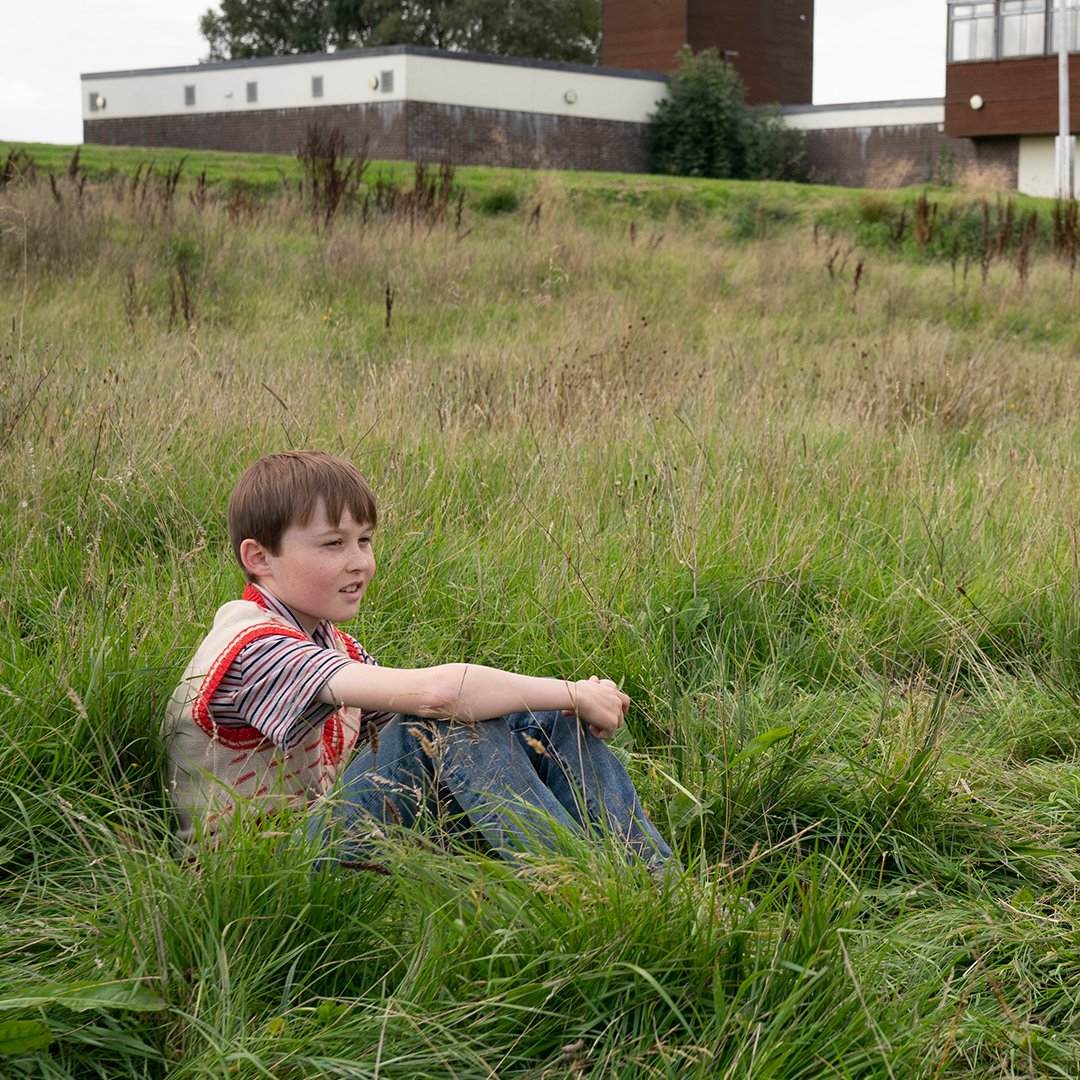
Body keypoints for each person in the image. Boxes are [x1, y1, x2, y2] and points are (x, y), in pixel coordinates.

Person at [162, 450, 672, 872]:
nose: (359, 561)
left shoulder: (331, 644)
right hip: (257, 879)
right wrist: (576, 692)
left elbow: (409, 737)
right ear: (259, 558)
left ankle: (656, 884)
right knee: (445, 722)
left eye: (364, 540)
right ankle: (577, 890)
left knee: (537, 719)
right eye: (333, 544)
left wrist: (558, 706)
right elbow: (436, 699)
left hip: (317, 845)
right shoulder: (254, 647)